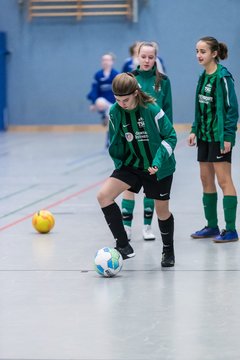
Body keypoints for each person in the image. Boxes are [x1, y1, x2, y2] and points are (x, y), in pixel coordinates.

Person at [97, 72, 177, 267]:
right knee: (103, 196)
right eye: (117, 99)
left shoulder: (151, 108)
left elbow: (171, 136)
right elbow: (116, 140)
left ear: (135, 93)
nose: (121, 103)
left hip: (157, 167)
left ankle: (168, 251)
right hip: (132, 165)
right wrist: (119, 166)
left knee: (162, 211)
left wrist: (157, 162)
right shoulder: (115, 111)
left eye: (125, 99)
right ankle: (123, 245)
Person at [188, 36, 238, 243]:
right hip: (204, 137)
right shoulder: (202, 77)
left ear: (214, 53)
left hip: (219, 138)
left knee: (224, 180)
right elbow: (200, 108)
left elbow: (232, 110)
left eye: (203, 51)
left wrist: (228, 136)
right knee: (205, 180)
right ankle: (211, 226)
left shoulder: (223, 77)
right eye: (197, 51)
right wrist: (194, 130)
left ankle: (231, 229)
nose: (199, 55)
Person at [121, 41, 173, 241]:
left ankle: (147, 227)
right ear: (137, 57)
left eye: (151, 57)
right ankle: (126, 227)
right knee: (129, 185)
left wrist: (164, 140)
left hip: (153, 143)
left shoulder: (164, 81)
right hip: (133, 140)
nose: (147, 60)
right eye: (143, 56)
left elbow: (167, 111)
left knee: (151, 185)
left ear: (156, 58)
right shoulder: (130, 79)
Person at [87, 52, 119, 147]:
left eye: (108, 60)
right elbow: (94, 89)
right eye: (103, 60)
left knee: (112, 118)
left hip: (114, 102)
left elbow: (119, 90)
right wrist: (93, 103)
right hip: (103, 101)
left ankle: (110, 136)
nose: (105, 62)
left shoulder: (116, 74)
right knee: (103, 106)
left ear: (112, 62)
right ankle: (105, 116)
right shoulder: (98, 75)